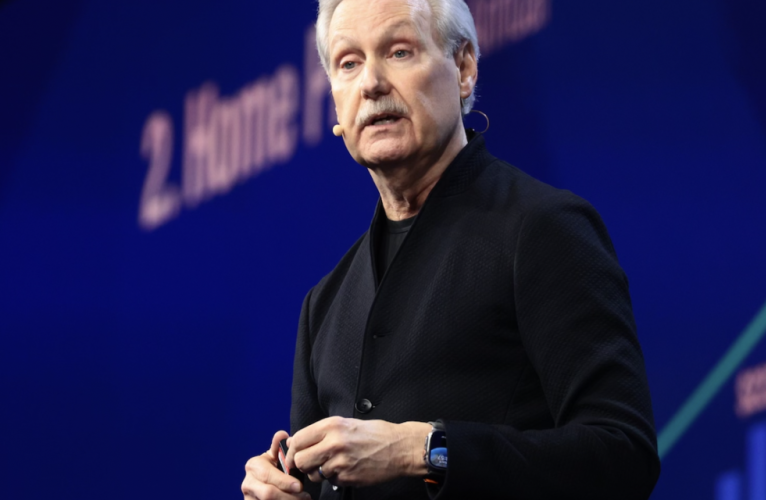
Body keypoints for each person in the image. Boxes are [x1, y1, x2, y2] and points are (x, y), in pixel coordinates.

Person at [241, 0, 661, 498]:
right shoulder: (323, 306)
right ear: (335, 105)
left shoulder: (542, 229)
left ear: (463, 69)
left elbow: (623, 455)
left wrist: (424, 451)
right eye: (348, 63)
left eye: (399, 52)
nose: (371, 83)